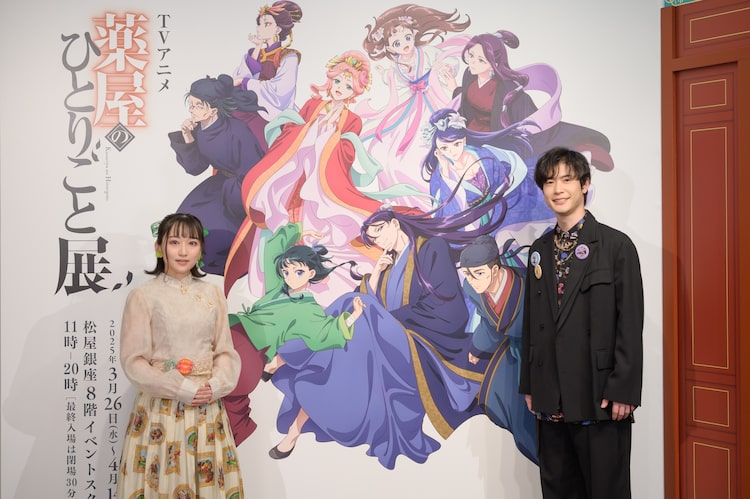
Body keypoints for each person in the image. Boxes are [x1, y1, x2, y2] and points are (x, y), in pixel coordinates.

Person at [519, 147, 644, 499]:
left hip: (599, 396)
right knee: (557, 491)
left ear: (585, 184)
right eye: (549, 182)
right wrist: (530, 383)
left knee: (606, 491)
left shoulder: (616, 246)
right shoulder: (539, 250)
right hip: (551, 396)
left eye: (567, 179)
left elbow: (630, 322)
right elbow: (532, 321)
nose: (557, 189)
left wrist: (624, 389)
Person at [224, 50, 384, 302]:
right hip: (292, 178)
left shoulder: (352, 119)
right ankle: (276, 284)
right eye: (337, 81)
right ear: (330, 80)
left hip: (322, 186)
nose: (340, 88)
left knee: (318, 230)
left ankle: (314, 284)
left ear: (355, 92)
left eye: (347, 86)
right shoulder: (312, 105)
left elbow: (347, 153)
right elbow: (289, 133)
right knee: (281, 224)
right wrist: (311, 130)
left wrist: (330, 138)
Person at [117, 213, 244, 498]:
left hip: (207, 408)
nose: (183, 251)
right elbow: (133, 361)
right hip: (162, 412)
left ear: (200, 249)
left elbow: (225, 351)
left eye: (192, 243)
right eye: (174, 242)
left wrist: (215, 385)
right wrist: (179, 387)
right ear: (159, 247)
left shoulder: (213, 294)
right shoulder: (144, 295)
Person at [356, 5, 471, 209]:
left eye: (407, 38)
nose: (404, 45)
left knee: (443, 139)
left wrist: (442, 67)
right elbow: (396, 84)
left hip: (432, 100)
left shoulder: (426, 52)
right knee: (391, 150)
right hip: (411, 107)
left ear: (413, 35)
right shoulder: (396, 66)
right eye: (397, 43)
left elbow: (447, 60)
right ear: (390, 48)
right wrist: (385, 74)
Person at [451, 31, 616, 173]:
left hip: (498, 134)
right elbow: (467, 102)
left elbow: (522, 119)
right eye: (471, 56)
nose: (473, 62)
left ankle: (582, 150)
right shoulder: (469, 75)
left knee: (539, 145)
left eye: (481, 60)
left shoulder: (507, 89)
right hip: (474, 132)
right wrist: (454, 88)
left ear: (494, 63)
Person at [169, 74, 266, 275]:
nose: (192, 110)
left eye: (198, 106)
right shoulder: (199, 129)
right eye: (191, 104)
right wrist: (187, 136)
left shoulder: (237, 131)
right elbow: (195, 168)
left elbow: (253, 169)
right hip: (219, 183)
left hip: (241, 188)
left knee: (218, 232)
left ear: (213, 110)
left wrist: (235, 196)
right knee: (186, 220)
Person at [459, 235, 537, 463]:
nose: (472, 281)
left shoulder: (528, 285)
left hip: (539, 355)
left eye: (478, 273)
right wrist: (477, 347)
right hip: (515, 352)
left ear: (495, 269)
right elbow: (490, 323)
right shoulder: (471, 288)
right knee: (505, 405)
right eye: (467, 274)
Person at [421, 108, 529, 229]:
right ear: (437, 150)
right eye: (444, 148)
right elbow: (444, 214)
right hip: (473, 225)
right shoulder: (440, 176)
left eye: (456, 144)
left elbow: (504, 181)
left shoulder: (482, 154)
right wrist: (446, 173)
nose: (452, 152)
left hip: (503, 210)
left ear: (464, 140)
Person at [232, 1, 303, 122]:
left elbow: (281, 90)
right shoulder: (256, 53)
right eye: (259, 24)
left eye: (267, 24)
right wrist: (257, 47)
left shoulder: (289, 56)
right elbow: (239, 78)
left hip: (273, 111)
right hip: (250, 103)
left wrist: (246, 82)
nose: (259, 28)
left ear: (278, 29)